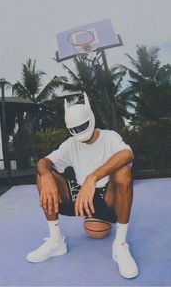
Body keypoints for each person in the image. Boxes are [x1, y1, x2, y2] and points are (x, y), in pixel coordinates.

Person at [26, 92, 139, 279]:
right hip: (80, 199)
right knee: (43, 175)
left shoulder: (110, 137)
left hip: (108, 199)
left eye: (82, 126)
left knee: (123, 171)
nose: (79, 132)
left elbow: (127, 154)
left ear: (91, 118)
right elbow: (43, 161)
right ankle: (56, 241)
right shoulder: (70, 144)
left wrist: (92, 178)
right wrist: (45, 174)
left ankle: (120, 245)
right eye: (74, 129)